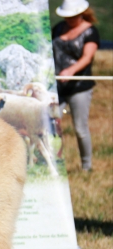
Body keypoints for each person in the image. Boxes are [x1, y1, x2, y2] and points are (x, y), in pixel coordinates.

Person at [52, 0, 100, 172]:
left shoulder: (90, 32)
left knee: (80, 128)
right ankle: (51, 163)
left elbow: (87, 57)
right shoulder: (58, 28)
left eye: (72, 16)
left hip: (79, 86)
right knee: (50, 124)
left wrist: (70, 71)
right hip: (57, 87)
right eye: (67, 17)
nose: (70, 20)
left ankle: (87, 167)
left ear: (80, 14)